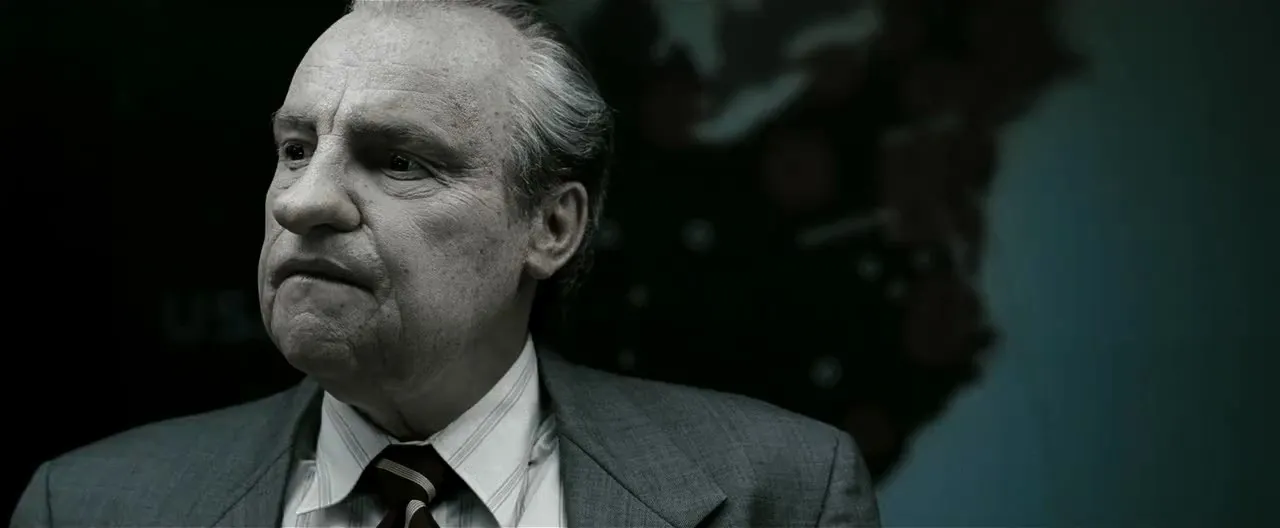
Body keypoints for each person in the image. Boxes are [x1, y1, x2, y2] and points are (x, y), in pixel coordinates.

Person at [10, 1, 881, 526]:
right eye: (295, 148)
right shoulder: (87, 506)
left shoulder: (782, 493)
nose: (301, 203)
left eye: (398, 160)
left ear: (551, 227)